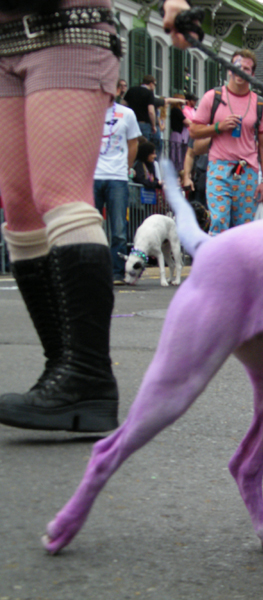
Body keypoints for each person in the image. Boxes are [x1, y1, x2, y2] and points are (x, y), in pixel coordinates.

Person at [0, 0, 191, 432]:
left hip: (68, 26)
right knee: (20, 208)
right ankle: (63, 375)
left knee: (59, 195)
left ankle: (88, 375)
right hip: (4, 37)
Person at [190, 49, 263, 235]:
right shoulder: (213, 97)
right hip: (218, 167)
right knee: (219, 220)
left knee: (243, 229)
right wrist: (218, 127)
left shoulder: (260, 105)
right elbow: (194, 130)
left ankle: (239, 264)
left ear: (251, 74)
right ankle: (216, 264)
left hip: (247, 171)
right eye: (237, 66)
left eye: (246, 68)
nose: (240, 71)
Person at [94, 99, 141, 285]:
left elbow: (133, 143)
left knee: (119, 228)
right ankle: (94, 271)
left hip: (117, 177)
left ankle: (117, 273)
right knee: (91, 227)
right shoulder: (89, 110)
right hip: (92, 175)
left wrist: (126, 167)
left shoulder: (126, 113)